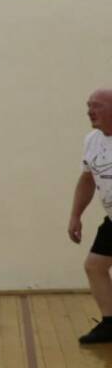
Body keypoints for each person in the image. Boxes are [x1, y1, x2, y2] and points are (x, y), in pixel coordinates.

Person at [70, 88, 112, 344]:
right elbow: (87, 179)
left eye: (97, 105)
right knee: (95, 266)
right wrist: (75, 216)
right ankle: (110, 324)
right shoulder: (92, 141)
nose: (90, 111)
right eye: (88, 106)